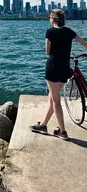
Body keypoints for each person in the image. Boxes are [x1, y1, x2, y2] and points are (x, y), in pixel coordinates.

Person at [30, 9, 87, 140]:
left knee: (56, 100)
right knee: (52, 97)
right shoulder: (69, 31)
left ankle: (62, 131)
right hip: (65, 69)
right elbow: (84, 43)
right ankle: (43, 125)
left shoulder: (50, 32)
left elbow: (48, 51)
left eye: (50, 17)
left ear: (53, 19)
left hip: (53, 68)